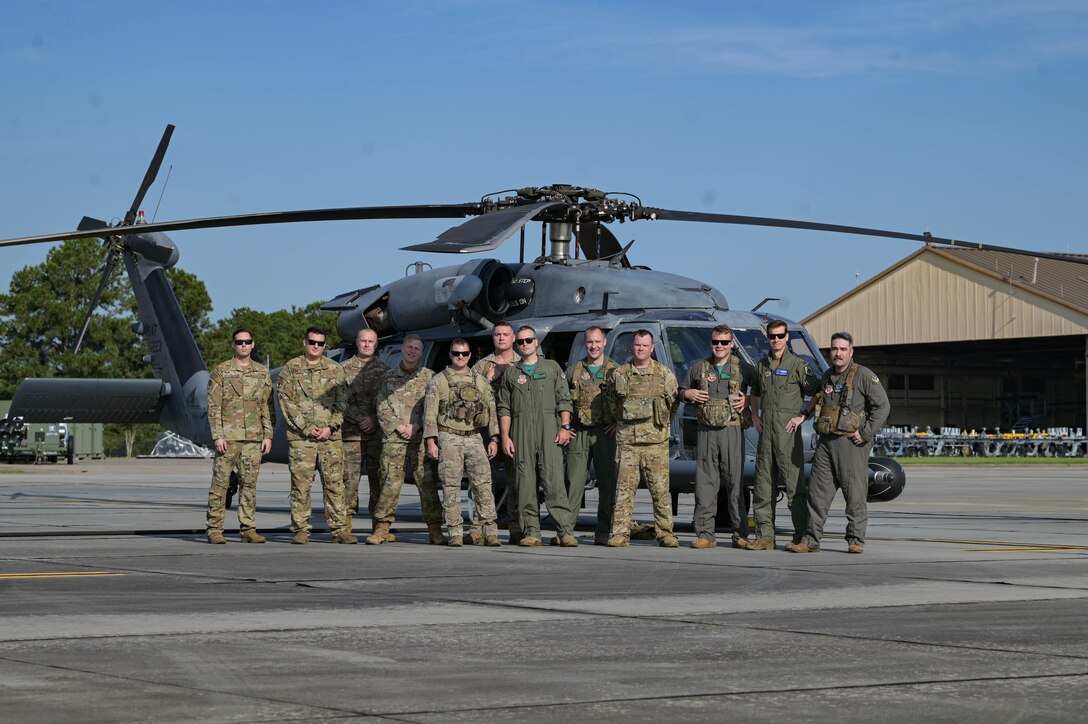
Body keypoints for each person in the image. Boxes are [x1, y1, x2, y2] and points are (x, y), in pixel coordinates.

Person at [790, 332, 890, 554]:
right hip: (826, 444)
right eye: (835, 349)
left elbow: (883, 406)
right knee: (816, 494)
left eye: (843, 349)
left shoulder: (863, 375)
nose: (838, 353)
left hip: (851, 445)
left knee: (854, 493)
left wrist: (865, 433)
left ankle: (856, 539)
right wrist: (803, 415)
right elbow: (817, 399)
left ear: (851, 352)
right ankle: (811, 540)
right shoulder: (827, 376)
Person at [496, 326, 576, 547]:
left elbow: (564, 399)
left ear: (536, 342)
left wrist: (565, 426)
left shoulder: (551, 368)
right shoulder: (512, 373)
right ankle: (532, 531)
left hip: (549, 430)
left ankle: (564, 531)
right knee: (525, 484)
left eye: (528, 340)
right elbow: (504, 408)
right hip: (521, 432)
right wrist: (505, 437)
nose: (524, 345)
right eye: (520, 342)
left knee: (554, 482)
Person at [680, 324, 755, 549]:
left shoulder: (744, 369)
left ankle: (740, 533)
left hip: (732, 430)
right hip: (706, 431)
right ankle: (705, 533)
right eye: (716, 342)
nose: (719, 346)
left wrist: (749, 401)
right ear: (711, 343)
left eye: (724, 342)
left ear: (732, 344)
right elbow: (680, 391)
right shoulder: (699, 368)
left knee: (734, 482)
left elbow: (763, 391)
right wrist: (689, 393)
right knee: (705, 482)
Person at [277, 326, 354, 544]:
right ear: (305, 342)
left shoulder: (335, 369)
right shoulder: (290, 369)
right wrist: (306, 428)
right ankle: (301, 529)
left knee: (335, 484)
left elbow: (342, 402)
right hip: (302, 439)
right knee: (301, 485)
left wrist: (331, 426)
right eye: (313, 342)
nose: (316, 347)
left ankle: (339, 530)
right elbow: (286, 402)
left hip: (330, 438)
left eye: (321, 344)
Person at [748, 320, 819, 551]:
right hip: (766, 432)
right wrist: (755, 415)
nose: (776, 340)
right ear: (768, 338)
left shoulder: (799, 365)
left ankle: (801, 537)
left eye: (779, 336)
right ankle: (764, 537)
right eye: (772, 336)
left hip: (788, 433)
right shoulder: (762, 365)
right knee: (763, 486)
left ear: (786, 337)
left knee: (794, 487)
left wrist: (803, 415)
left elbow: (818, 392)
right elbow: (755, 391)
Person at [606, 329, 680, 548]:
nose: (640, 349)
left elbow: (672, 404)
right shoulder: (620, 374)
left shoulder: (664, 374)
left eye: (645, 345)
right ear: (632, 346)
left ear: (652, 348)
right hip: (628, 443)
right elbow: (612, 403)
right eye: (637, 345)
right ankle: (620, 533)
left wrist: (659, 426)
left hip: (656, 443)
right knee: (624, 492)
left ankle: (665, 533)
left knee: (660, 491)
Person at [368, 334, 445, 545]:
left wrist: (417, 425)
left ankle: (435, 530)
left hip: (421, 438)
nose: (412, 351)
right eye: (409, 347)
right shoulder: (387, 377)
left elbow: (435, 407)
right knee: (389, 484)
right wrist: (398, 426)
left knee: (427, 485)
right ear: (402, 349)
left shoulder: (431, 378)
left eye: (417, 349)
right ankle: (381, 528)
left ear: (422, 352)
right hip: (394, 439)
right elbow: (381, 406)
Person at [424, 339, 502, 547]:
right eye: (456, 353)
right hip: (449, 436)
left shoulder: (479, 381)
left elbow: (492, 410)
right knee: (451, 486)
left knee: (483, 484)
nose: (460, 357)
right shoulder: (439, 380)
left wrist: (494, 438)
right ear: (450, 355)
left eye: (465, 353)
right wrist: (431, 441)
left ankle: (490, 530)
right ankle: (455, 532)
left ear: (470, 356)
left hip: (475, 436)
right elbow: (430, 413)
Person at [205, 328, 274, 544]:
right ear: (233, 345)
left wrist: (268, 435)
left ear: (253, 345)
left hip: (254, 438)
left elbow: (267, 407)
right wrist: (218, 435)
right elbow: (214, 406)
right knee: (221, 483)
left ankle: (248, 529)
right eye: (239, 342)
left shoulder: (262, 373)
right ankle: (215, 529)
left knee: (249, 484)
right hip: (229, 437)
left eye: (247, 341)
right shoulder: (221, 372)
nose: (243, 345)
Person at [566, 326, 619, 546]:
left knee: (607, 484)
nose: (594, 346)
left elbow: (627, 400)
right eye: (590, 342)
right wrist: (565, 425)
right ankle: (567, 530)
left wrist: (618, 422)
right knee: (574, 482)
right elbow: (563, 400)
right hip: (579, 432)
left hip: (605, 433)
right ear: (584, 343)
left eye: (597, 342)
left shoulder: (615, 371)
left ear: (605, 343)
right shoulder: (574, 370)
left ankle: (604, 531)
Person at [472, 321, 522, 543]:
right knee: (483, 482)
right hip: (487, 433)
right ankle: (480, 527)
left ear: (513, 338)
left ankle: (516, 528)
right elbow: (469, 397)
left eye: (506, 334)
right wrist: (487, 379)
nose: (501, 338)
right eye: (497, 334)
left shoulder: (524, 364)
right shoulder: (481, 366)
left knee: (517, 481)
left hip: (516, 431)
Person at [340, 328, 389, 517]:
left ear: (376, 345)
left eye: (370, 341)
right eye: (363, 341)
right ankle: (345, 526)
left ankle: (378, 526)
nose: (367, 344)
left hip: (376, 435)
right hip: (350, 436)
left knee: (378, 481)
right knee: (349, 482)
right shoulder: (342, 369)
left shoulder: (384, 371)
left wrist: (374, 419)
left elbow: (388, 401)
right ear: (357, 343)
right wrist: (359, 418)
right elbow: (338, 399)